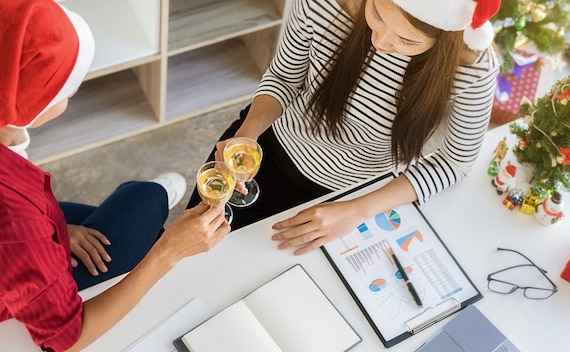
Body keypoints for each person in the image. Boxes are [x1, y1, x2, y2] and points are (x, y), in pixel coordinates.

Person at [0, 1, 230, 350]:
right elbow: (65, 338)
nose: (75, 88)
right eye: (67, 84)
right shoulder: (18, 222)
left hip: (30, 236)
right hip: (20, 283)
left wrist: (53, 233)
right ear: (30, 102)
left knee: (144, 203)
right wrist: (170, 252)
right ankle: (156, 237)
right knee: (149, 203)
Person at [186, 0, 500, 254]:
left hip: (347, 194)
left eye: (407, 40)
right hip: (270, 144)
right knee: (187, 246)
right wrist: (246, 134)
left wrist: (357, 210)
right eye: (376, 13)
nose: (381, 42)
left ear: (446, 37)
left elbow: (455, 162)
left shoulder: (472, 67)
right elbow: (284, 78)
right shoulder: (323, 4)